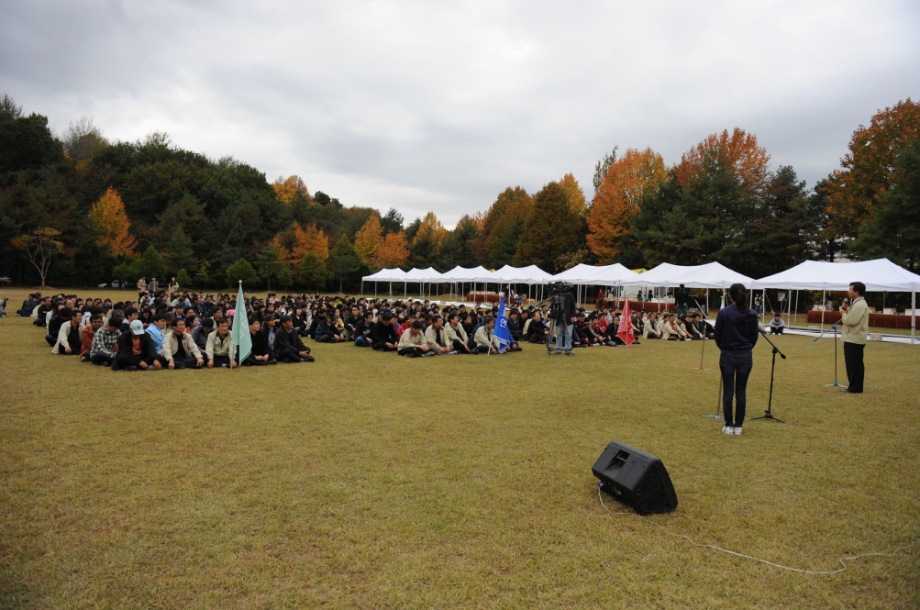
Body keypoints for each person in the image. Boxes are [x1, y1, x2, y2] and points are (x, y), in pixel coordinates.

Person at [714, 283, 759, 436]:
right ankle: (738, 426)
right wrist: (746, 347)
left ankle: (728, 425)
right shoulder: (752, 314)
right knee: (741, 391)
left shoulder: (724, 313)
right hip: (745, 354)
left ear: (730, 296)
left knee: (728, 391)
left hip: (728, 354)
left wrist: (724, 347)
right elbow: (754, 336)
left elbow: (717, 335)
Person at [840, 281, 869, 394]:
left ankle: (854, 388)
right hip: (854, 338)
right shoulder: (857, 303)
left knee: (853, 364)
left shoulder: (860, 304)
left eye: (850, 289)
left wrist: (843, 313)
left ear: (856, 291)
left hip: (854, 338)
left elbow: (851, 321)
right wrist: (847, 311)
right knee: (855, 364)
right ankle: (855, 386)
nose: (849, 291)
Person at [553, 287, 577, 355]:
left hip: (568, 318)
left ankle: (568, 349)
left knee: (568, 334)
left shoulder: (569, 295)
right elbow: (554, 307)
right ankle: (558, 349)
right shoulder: (556, 296)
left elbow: (573, 306)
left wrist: (573, 316)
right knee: (559, 334)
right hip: (560, 318)